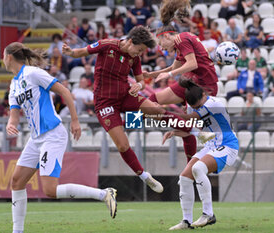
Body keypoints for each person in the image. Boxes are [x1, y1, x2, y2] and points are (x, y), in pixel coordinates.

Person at [62, 26, 214, 193]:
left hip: (126, 96)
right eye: (139, 49)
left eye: (142, 51)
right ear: (130, 42)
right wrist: (70, 52)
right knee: (122, 145)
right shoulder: (107, 45)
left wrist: (138, 85)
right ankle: (144, 175)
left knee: (155, 109)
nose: (139, 54)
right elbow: (81, 51)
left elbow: (141, 81)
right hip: (105, 103)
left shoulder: (135, 59)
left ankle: (195, 131)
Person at [4, 42, 117, 233]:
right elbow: (14, 115)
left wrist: (75, 120)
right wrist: (11, 124)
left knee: (49, 190)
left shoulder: (33, 73)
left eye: (3, 57)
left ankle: (105, 194)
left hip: (52, 134)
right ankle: (17, 231)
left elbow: (64, 91)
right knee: (16, 181)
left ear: (8, 57)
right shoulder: (14, 84)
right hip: (36, 138)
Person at [143, 0, 219, 163]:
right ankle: (191, 162)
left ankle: (199, 155)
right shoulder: (180, 43)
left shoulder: (182, 39)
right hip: (192, 84)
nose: (161, 49)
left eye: (160, 43)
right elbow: (174, 66)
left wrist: (170, 74)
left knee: (188, 125)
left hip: (204, 89)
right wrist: (151, 74)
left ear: (166, 36)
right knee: (153, 102)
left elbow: (193, 64)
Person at [163, 79, 239, 230]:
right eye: (194, 107)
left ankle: (208, 214)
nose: (197, 108)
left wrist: (161, 114)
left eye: (198, 106)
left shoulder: (213, 104)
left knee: (198, 168)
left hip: (227, 145)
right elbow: (194, 129)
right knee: (184, 177)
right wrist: (175, 132)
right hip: (211, 145)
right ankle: (186, 221)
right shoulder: (195, 109)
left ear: (204, 94)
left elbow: (190, 119)